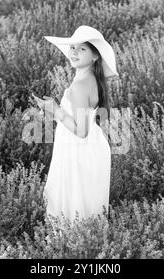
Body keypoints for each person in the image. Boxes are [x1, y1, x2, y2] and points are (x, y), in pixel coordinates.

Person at [32, 25, 119, 230]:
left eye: (82, 49)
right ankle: (87, 244)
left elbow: (81, 131)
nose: (74, 53)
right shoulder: (91, 79)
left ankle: (70, 246)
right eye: (72, 48)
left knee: (74, 199)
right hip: (92, 145)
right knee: (86, 202)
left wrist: (55, 109)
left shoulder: (80, 85)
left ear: (95, 56)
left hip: (79, 147)